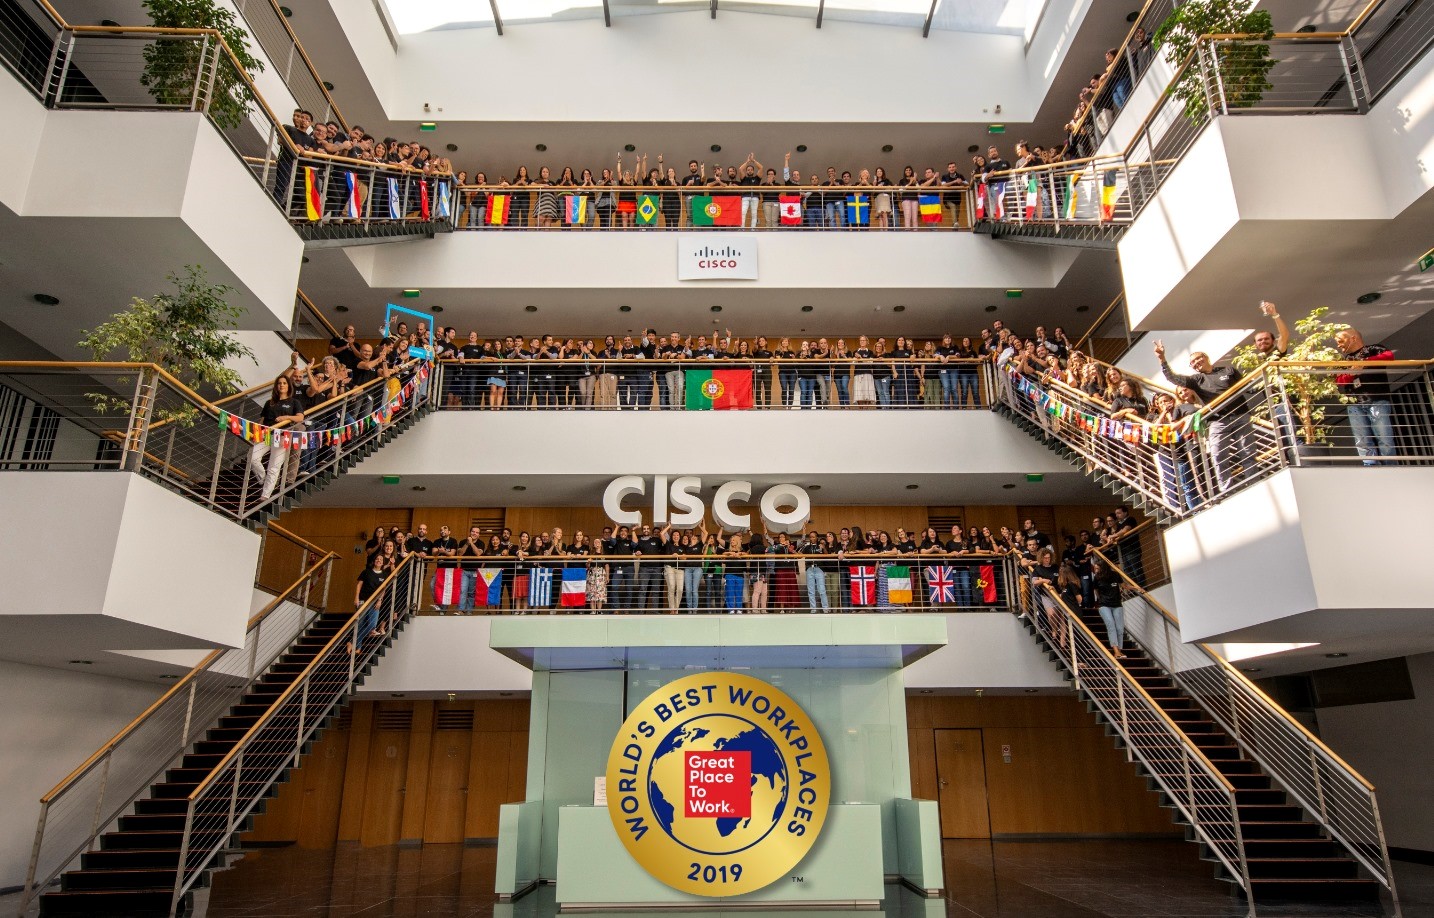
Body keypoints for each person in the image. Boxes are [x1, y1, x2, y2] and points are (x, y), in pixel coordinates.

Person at [1155, 338, 1248, 492]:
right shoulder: (1196, 380)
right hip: (1217, 421)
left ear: (1206, 357)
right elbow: (1173, 378)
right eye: (1192, 362)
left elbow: (1246, 387)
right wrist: (1162, 358)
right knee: (1218, 455)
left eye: (1198, 358)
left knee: (1247, 452)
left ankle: (1254, 480)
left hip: (1240, 414)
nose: (1196, 362)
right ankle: (1227, 490)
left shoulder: (1228, 370)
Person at [1335, 327, 1398, 464]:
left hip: (1377, 399)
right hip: (1354, 403)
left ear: (1353, 338)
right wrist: (1351, 374)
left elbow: (1389, 356)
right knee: (1362, 440)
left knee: (1384, 437)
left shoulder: (1373, 348)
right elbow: (1338, 380)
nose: (1338, 345)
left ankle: (1391, 467)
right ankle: (1370, 467)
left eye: (1340, 341)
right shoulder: (1344, 360)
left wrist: (1364, 364)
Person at [247, 376, 305, 501]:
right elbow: (262, 420)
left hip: (283, 436)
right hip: (267, 435)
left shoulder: (294, 402)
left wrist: (286, 418)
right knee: (252, 457)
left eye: (284, 383)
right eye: (279, 383)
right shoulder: (270, 402)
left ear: (289, 386)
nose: (282, 385)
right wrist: (256, 434)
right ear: (276, 386)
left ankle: (265, 495)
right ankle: (263, 479)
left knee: (274, 466)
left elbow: (300, 418)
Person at [1091, 556, 1125, 658]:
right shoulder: (1096, 578)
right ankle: (1116, 650)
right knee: (1111, 625)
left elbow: (1123, 586)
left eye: (1097, 568)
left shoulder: (1115, 575)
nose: (1096, 570)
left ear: (1103, 568)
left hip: (1117, 604)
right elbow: (1096, 591)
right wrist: (1101, 600)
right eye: (1095, 568)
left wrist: (1136, 588)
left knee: (1119, 628)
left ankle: (1119, 649)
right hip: (1104, 605)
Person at [355, 554, 389, 641]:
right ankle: (358, 648)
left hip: (375, 602)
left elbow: (383, 589)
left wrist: (380, 600)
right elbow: (359, 585)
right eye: (377, 559)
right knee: (361, 623)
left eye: (381, 559)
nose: (379, 560)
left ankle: (351, 643)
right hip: (363, 600)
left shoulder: (384, 575)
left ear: (383, 563)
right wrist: (356, 598)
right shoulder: (366, 572)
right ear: (374, 561)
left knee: (372, 625)